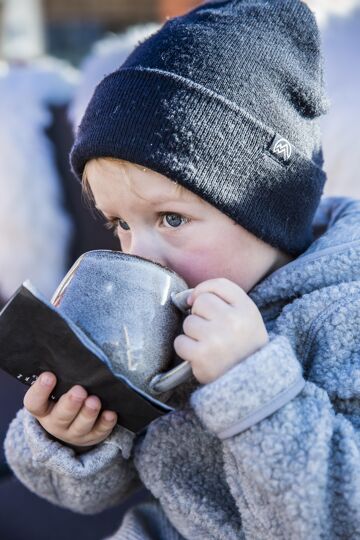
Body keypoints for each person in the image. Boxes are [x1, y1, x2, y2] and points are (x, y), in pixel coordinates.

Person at [4, 1, 360, 538]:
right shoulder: (165, 316)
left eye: (171, 218)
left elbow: (339, 517)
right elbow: (78, 494)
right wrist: (76, 437)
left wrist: (254, 387)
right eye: (119, 223)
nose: (137, 253)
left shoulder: (342, 316)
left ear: (268, 212)